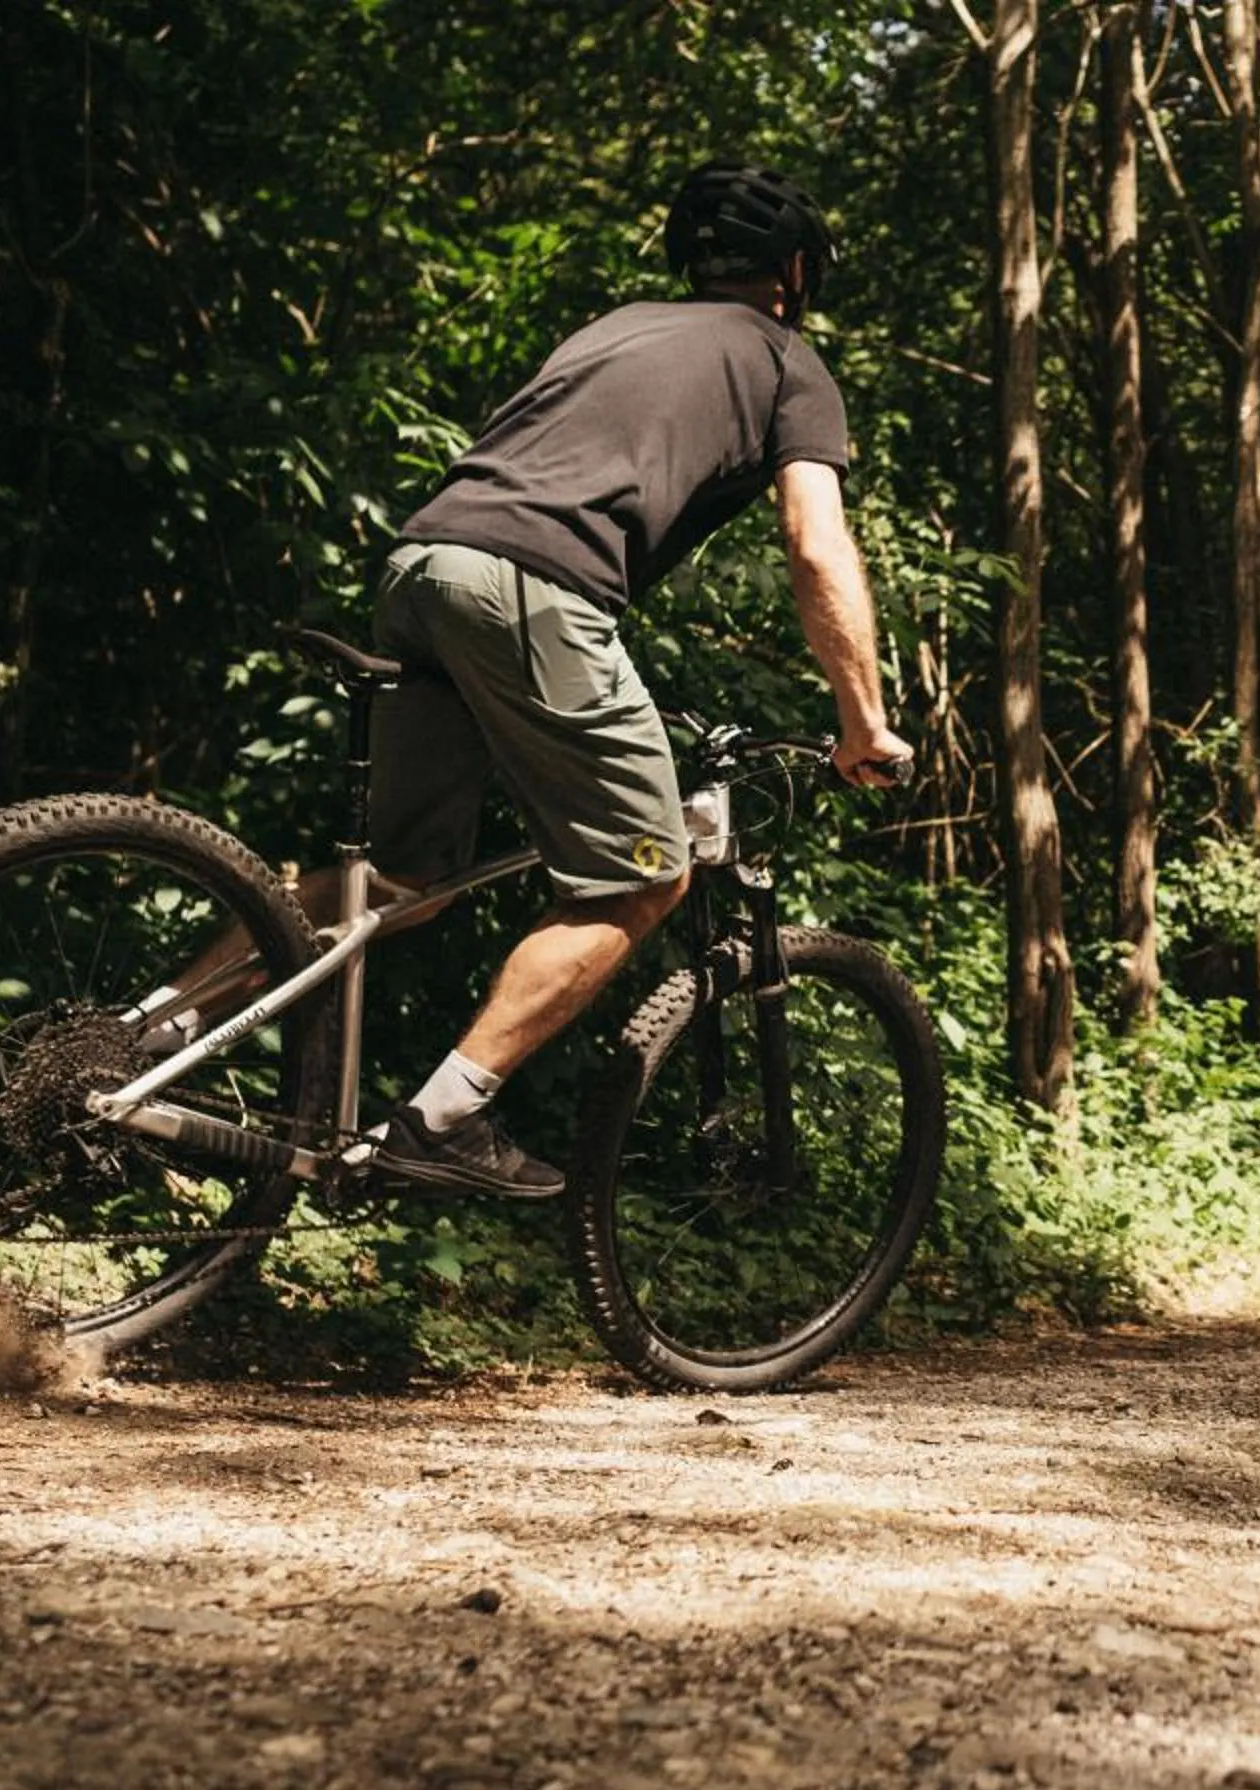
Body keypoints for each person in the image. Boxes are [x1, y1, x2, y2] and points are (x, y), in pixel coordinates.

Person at [293, 162, 909, 1198]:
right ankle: (441, 1120)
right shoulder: (786, 360)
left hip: (425, 564)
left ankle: (146, 1035)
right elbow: (816, 546)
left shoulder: (616, 328)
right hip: (536, 589)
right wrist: (865, 723)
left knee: (396, 883)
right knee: (643, 875)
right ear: (797, 273)